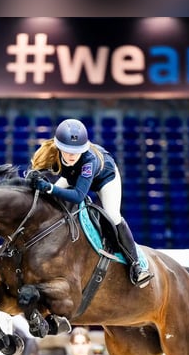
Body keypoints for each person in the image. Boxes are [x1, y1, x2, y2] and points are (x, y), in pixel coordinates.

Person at [26, 118, 153, 288]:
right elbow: (34, 171)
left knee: (114, 216)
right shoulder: (49, 150)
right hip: (74, 176)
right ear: (58, 147)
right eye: (67, 150)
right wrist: (33, 178)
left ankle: (136, 264)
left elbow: (78, 195)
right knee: (49, 200)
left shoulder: (88, 160)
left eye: (76, 151)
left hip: (105, 180)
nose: (71, 155)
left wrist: (48, 187)